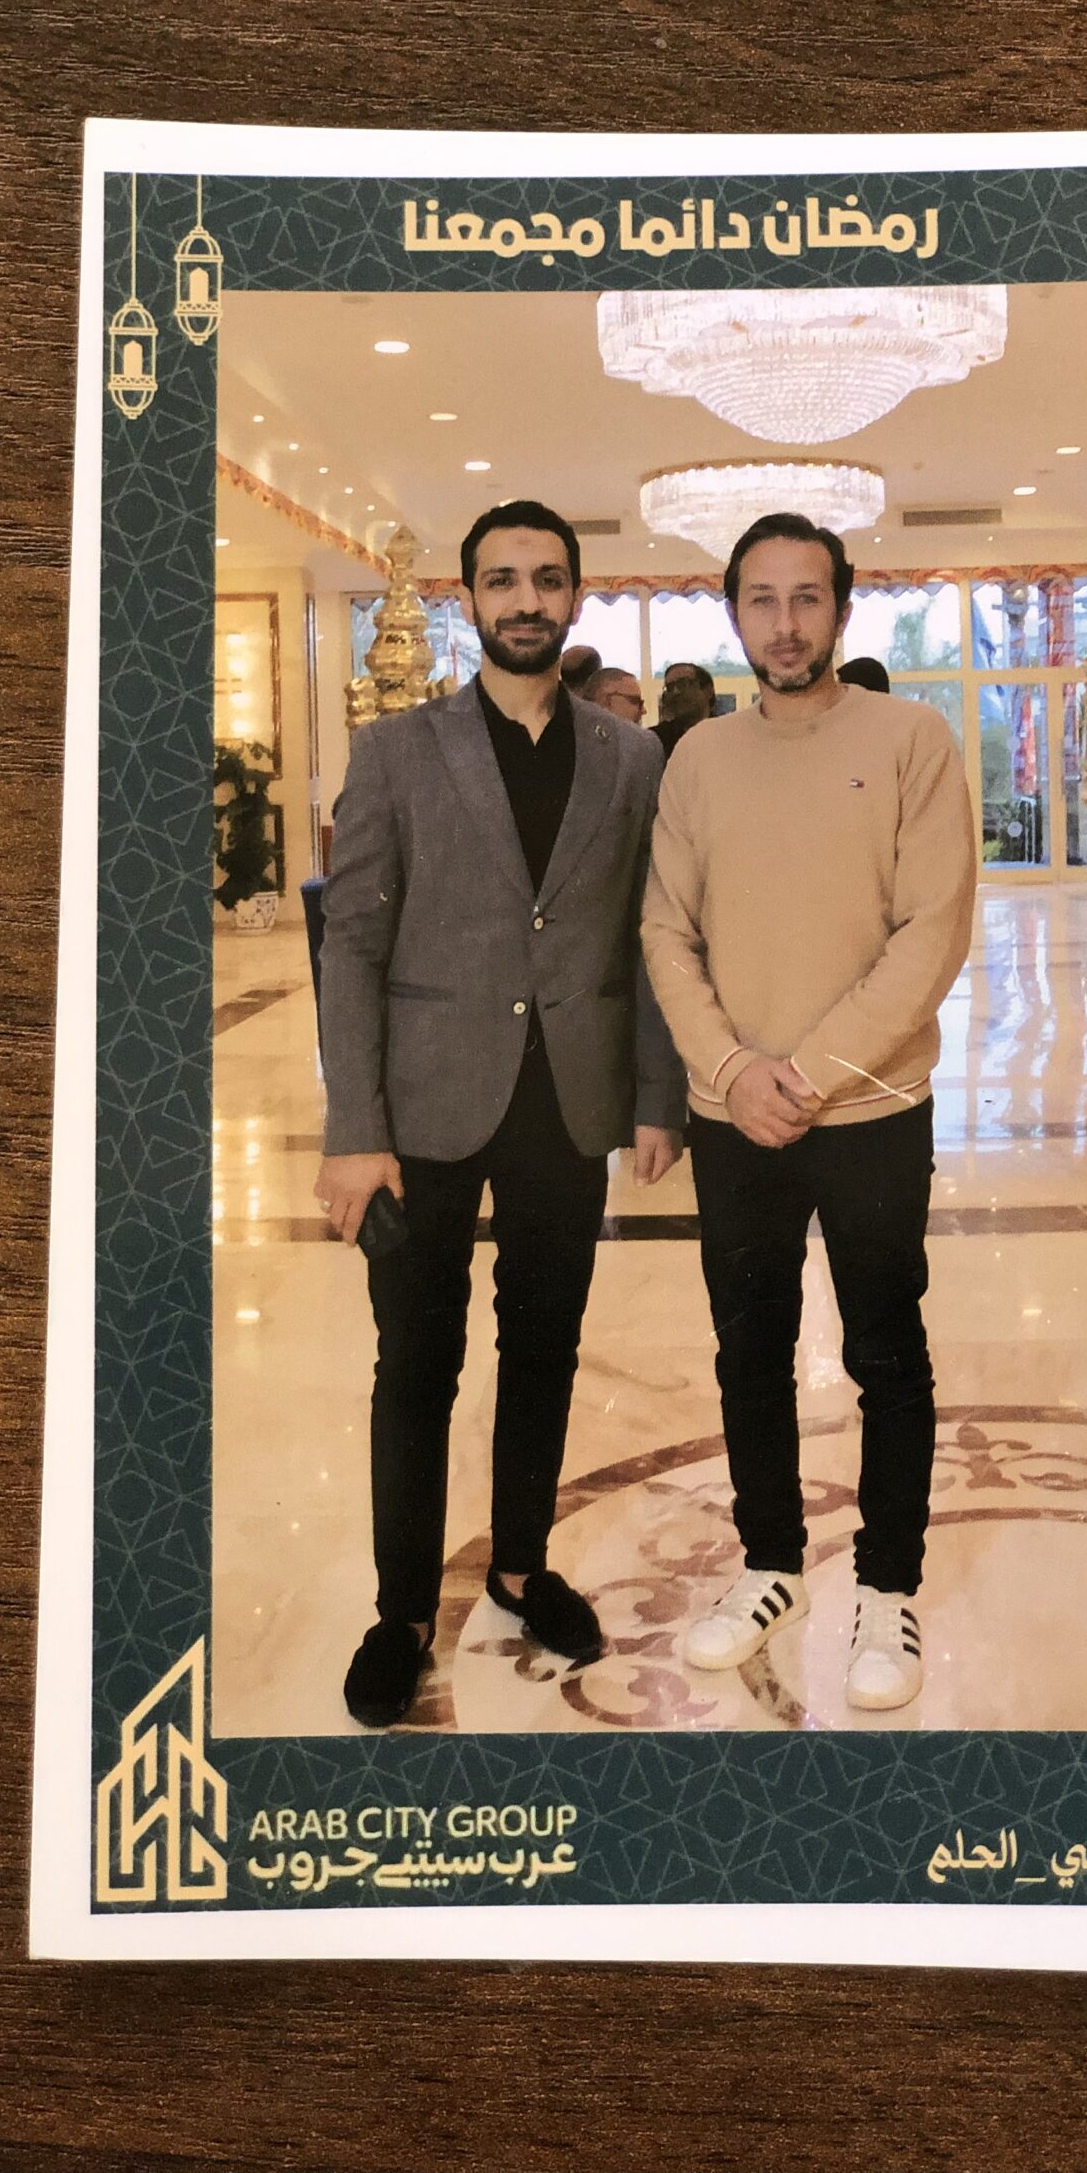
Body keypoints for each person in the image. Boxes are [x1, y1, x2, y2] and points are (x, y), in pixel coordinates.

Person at [316, 499, 685, 1726]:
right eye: (503, 579)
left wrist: (655, 1097)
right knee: (415, 1361)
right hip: (422, 1107)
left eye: (547, 578)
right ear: (469, 598)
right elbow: (351, 945)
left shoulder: (631, 760)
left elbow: (649, 940)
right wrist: (353, 1128)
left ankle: (522, 1566)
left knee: (544, 1344)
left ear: (575, 594)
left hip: (567, 1105)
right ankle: (402, 1613)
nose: (526, 599)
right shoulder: (397, 752)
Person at [641, 513, 976, 1713]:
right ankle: (771, 1563)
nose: (785, 624)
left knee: (886, 1351)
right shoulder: (698, 759)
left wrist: (811, 1072)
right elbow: (664, 929)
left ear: (842, 605)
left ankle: (889, 1584)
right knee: (748, 1351)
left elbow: (932, 930)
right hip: (734, 1118)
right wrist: (735, 1070)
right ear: (733, 610)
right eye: (763, 599)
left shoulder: (912, 739)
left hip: (872, 1111)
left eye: (807, 598)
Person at [651, 660, 716, 758]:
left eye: (683, 684)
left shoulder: (725, 733)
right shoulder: (656, 740)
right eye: (670, 687)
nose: (675, 692)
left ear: (708, 691)